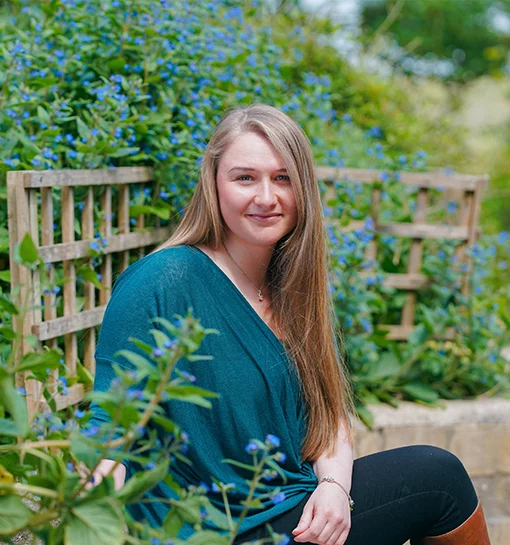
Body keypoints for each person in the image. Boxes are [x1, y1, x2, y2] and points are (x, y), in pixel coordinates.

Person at [88, 104, 491, 545]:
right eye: (245, 178)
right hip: (215, 530)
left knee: (436, 479)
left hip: (296, 513)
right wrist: (88, 503)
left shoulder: (295, 286)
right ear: (214, 184)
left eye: (283, 178)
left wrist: (335, 488)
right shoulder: (163, 280)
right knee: (437, 478)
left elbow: (328, 414)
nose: (266, 197)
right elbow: (112, 419)